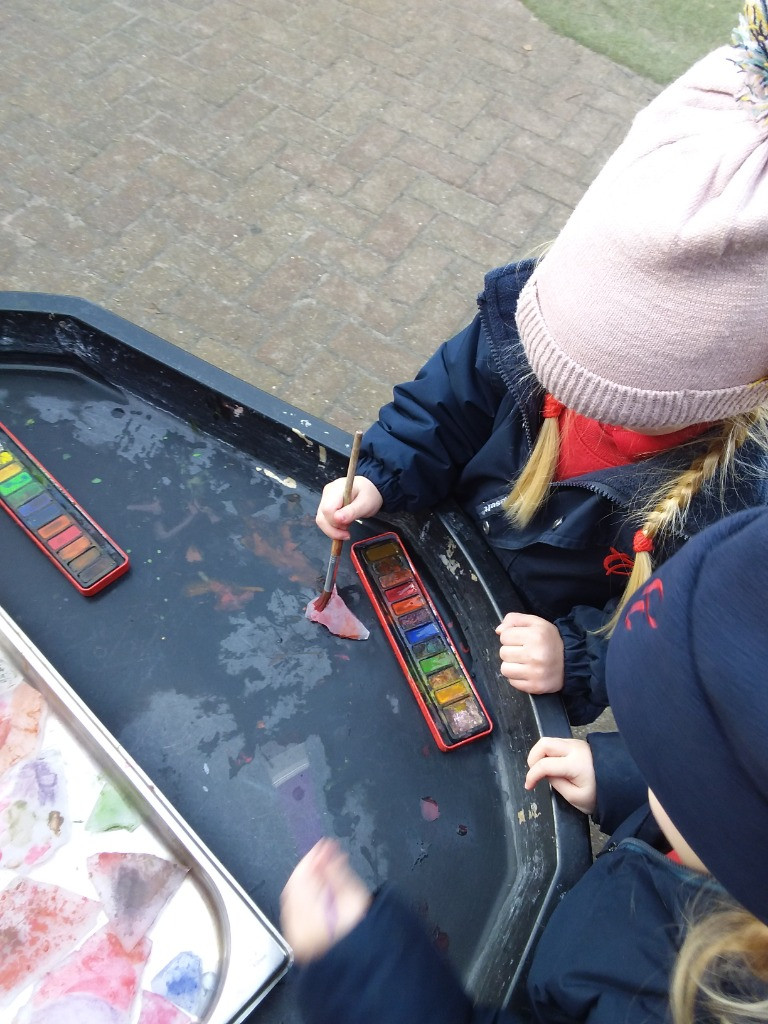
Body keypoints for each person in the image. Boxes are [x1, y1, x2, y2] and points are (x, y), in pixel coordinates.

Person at [315, 8, 768, 726]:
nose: (564, 388)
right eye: (560, 358)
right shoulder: (527, 330)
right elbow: (445, 405)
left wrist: (580, 655)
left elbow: (673, 627)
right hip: (431, 557)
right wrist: (382, 474)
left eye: (615, 393)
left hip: (516, 655)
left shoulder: (737, 504)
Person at [280, 503, 768, 1024]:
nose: (645, 750)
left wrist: (363, 976)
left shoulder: (664, 1004)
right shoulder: (725, 841)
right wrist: (622, 777)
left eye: (662, 752)